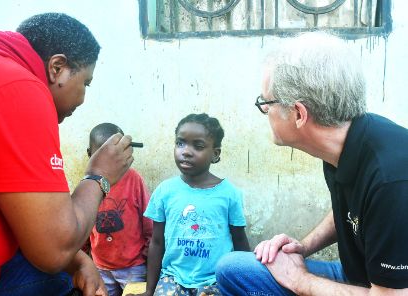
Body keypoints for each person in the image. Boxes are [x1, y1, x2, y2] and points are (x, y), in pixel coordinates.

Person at [215, 32, 408, 295]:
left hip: (385, 290)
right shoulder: (345, 141)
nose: (264, 111)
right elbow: (354, 212)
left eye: (266, 102)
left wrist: (300, 280)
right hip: (360, 277)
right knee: (234, 268)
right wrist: (301, 247)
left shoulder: (392, 180)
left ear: (298, 113)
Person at [0, 13, 135, 295]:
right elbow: (53, 251)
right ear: (58, 67)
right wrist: (99, 176)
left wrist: (78, 258)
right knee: (61, 279)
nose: (82, 99)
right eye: (86, 83)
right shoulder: (18, 86)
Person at [142, 113, 250, 296]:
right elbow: (157, 242)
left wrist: (247, 283)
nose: (186, 151)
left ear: (215, 154)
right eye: (180, 143)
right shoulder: (165, 191)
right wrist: (149, 291)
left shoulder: (229, 194)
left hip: (215, 279)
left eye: (198, 146)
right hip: (172, 278)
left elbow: (240, 240)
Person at [84, 123, 153, 296]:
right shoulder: (89, 184)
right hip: (100, 266)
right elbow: (84, 220)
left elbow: (148, 219)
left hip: (133, 266)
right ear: (90, 155)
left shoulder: (134, 180)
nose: (111, 161)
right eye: (103, 155)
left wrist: (148, 252)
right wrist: (85, 256)